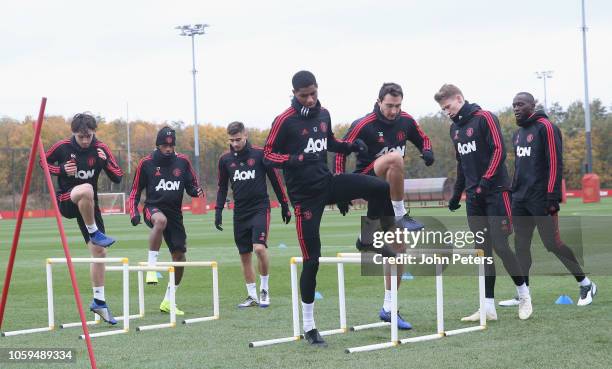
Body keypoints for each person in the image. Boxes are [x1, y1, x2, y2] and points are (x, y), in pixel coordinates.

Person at [263, 70, 421, 346]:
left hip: (327, 185)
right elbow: (267, 155)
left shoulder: (323, 114)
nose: (311, 99)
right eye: (304, 95)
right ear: (294, 93)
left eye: (314, 93)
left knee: (379, 188)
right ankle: (310, 326)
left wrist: (349, 146)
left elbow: (330, 142)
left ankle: (368, 239)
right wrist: (294, 158)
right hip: (304, 199)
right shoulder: (284, 121)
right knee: (312, 260)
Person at [335, 82, 433, 330]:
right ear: (379, 102)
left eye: (398, 106)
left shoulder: (406, 121)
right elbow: (340, 152)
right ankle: (402, 214)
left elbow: (423, 139)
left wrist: (427, 151)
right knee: (395, 158)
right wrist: (339, 187)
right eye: (389, 105)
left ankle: (389, 307)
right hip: (366, 179)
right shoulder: (363, 124)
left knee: (399, 248)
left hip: (388, 191)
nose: (393, 111)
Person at [434, 84, 532, 321]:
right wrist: (457, 193)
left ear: (459, 98)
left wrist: (485, 182)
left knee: (500, 246)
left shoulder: (485, 118)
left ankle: (524, 295)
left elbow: (500, 151)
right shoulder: (454, 130)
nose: (446, 111)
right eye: (443, 109)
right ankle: (488, 307)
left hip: (496, 193)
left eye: (448, 106)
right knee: (483, 252)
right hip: (474, 197)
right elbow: (461, 164)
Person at [496, 92, 597, 307]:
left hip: (541, 199)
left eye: (520, 104)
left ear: (532, 105)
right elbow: (521, 168)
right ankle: (523, 294)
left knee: (552, 244)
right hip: (520, 199)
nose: (516, 108)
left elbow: (555, 164)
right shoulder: (518, 133)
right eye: (513, 105)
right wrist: (512, 190)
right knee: (521, 246)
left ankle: (586, 283)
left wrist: (552, 197)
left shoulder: (547, 128)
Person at [42, 113, 123, 324]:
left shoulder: (101, 148)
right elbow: (42, 161)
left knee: (99, 252)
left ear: (94, 132)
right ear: (74, 133)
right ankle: (94, 232)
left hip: (89, 204)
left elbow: (118, 176)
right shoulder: (62, 146)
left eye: (89, 136)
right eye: (81, 137)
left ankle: (99, 301)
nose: (86, 140)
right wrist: (60, 169)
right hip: (67, 199)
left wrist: (105, 164)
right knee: (86, 188)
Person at [215, 121, 291, 308]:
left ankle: (264, 289)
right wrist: (218, 210)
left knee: (259, 248)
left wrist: (284, 204)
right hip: (239, 211)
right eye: (231, 140)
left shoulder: (260, 154)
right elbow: (222, 187)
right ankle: (251, 295)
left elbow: (276, 180)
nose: (235, 143)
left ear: (245, 135)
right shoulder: (225, 159)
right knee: (244, 254)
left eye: (238, 139)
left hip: (259, 208)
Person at [128, 127, 203, 315]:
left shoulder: (183, 162)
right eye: (164, 145)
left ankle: (169, 300)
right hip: (153, 209)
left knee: (180, 257)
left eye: (171, 145)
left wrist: (195, 191)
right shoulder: (146, 163)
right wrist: (133, 212)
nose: (168, 149)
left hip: (175, 214)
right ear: (158, 145)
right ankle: (151, 267)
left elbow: (191, 185)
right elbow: (135, 191)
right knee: (160, 221)